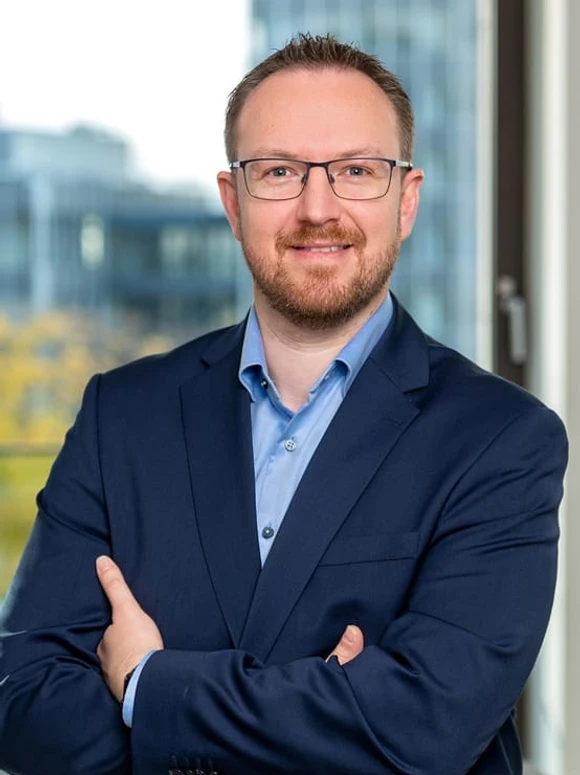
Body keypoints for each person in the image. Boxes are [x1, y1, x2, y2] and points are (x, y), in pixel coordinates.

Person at [0, 33, 568, 775]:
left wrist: (149, 685)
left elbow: (427, 725)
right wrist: (323, 713)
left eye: (358, 171)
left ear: (407, 200)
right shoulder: (121, 416)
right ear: (233, 203)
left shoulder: (502, 439)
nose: (317, 207)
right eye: (278, 172)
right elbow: (22, 703)